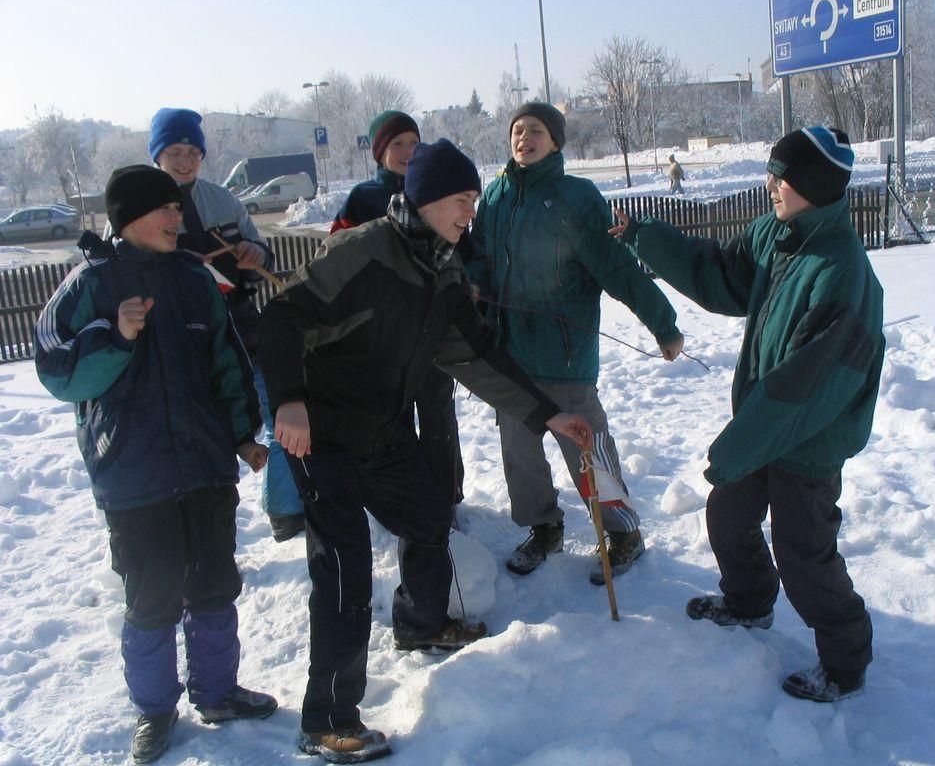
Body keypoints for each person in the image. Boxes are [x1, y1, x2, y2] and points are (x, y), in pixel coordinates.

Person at [259, 139, 592, 764]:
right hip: (322, 433)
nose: (471, 213)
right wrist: (287, 401)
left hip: (382, 430)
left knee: (429, 519)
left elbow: (479, 355)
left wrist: (549, 415)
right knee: (344, 569)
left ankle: (418, 623)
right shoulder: (362, 252)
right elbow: (280, 318)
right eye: (463, 201)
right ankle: (326, 718)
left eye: (472, 201)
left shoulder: (443, 269)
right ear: (429, 199)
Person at [612, 126, 884, 703]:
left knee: (804, 554)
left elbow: (808, 388)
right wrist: (647, 238)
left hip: (808, 437)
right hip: (766, 423)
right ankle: (749, 603)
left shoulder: (842, 272)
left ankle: (845, 660)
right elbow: (719, 271)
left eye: (781, 176)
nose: (770, 184)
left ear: (813, 183)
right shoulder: (777, 236)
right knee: (729, 516)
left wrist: (738, 446)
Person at [35, 165, 278, 763]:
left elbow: (227, 360)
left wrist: (243, 434)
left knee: (215, 585)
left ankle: (217, 691)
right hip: (133, 474)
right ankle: (155, 711)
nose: (178, 217)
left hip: (203, 464)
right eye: (163, 209)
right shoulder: (90, 284)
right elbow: (59, 373)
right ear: (127, 219)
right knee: (152, 598)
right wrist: (114, 335)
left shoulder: (197, 280)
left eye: (178, 208)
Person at [465, 102, 684, 583]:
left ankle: (623, 533)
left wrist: (663, 325)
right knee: (518, 453)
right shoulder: (497, 196)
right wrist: (476, 287)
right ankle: (544, 527)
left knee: (587, 448)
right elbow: (478, 254)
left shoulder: (576, 197)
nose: (524, 137)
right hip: (510, 356)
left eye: (536, 130)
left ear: (556, 142)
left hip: (564, 356)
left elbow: (617, 267)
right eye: (517, 130)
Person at [149, 107, 305, 543]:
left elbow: (258, 252)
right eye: (175, 151)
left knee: (281, 418)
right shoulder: (138, 203)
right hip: (177, 343)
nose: (185, 161)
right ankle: (199, 538)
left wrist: (255, 256)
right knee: (198, 438)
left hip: (241, 327)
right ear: (158, 154)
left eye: (193, 152)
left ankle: (286, 508)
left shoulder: (222, 200)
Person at [328, 110, 467, 520]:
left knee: (438, 412)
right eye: (397, 145)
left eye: (413, 142)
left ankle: (446, 495)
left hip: (436, 328)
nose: (407, 152)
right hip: (384, 337)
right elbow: (338, 258)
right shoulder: (362, 198)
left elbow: (465, 245)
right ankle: (404, 496)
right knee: (393, 418)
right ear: (379, 153)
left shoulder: (437, 191)